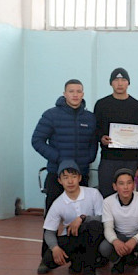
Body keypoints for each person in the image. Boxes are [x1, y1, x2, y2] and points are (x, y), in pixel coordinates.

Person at [32, 79, 97, 212]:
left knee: (82, 215)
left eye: (78, 91)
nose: (75, 95)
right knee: (53, 215)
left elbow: (93, 142)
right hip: (57, 173)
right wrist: (58, 157)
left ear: (83, 94)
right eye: (71, 91)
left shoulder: (90, 118)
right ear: (65, 94)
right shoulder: (51, 115)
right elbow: (37, 140)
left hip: (81, 173)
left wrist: (89, 158)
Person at [37, 160, 104, 275]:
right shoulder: (58, 203)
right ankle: (77, 260)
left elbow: (103, 218)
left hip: (92, 235)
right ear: (60, 181)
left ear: (79, 178)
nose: (70, 181)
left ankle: (89, 268)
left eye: (73, 176)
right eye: (65, 177)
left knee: (95, 226)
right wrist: (55, 248)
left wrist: (83, 218)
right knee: (49, 260)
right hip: (71, 237)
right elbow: (49, 232)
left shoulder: (93, 194)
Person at [93, 68, 138, 197]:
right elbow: (95, 130)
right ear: (111, 83)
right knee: (106, 196)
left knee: (128, 197)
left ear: (128, 83)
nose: (120, 83)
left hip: (131, 161)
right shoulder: (101, 104)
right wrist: (101, 137)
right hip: (108, 159)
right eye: (116, 80)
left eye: (123, 80)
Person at [99, 168, 138, 274]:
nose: (125, 187)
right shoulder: (108, 202)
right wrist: (115, 241)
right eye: (121, 184)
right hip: (120, 235)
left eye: (129, 183)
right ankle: (119, 261)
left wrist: (134, 239)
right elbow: (108, 228)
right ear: (115, 186)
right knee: (104, 248)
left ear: (134, 185)